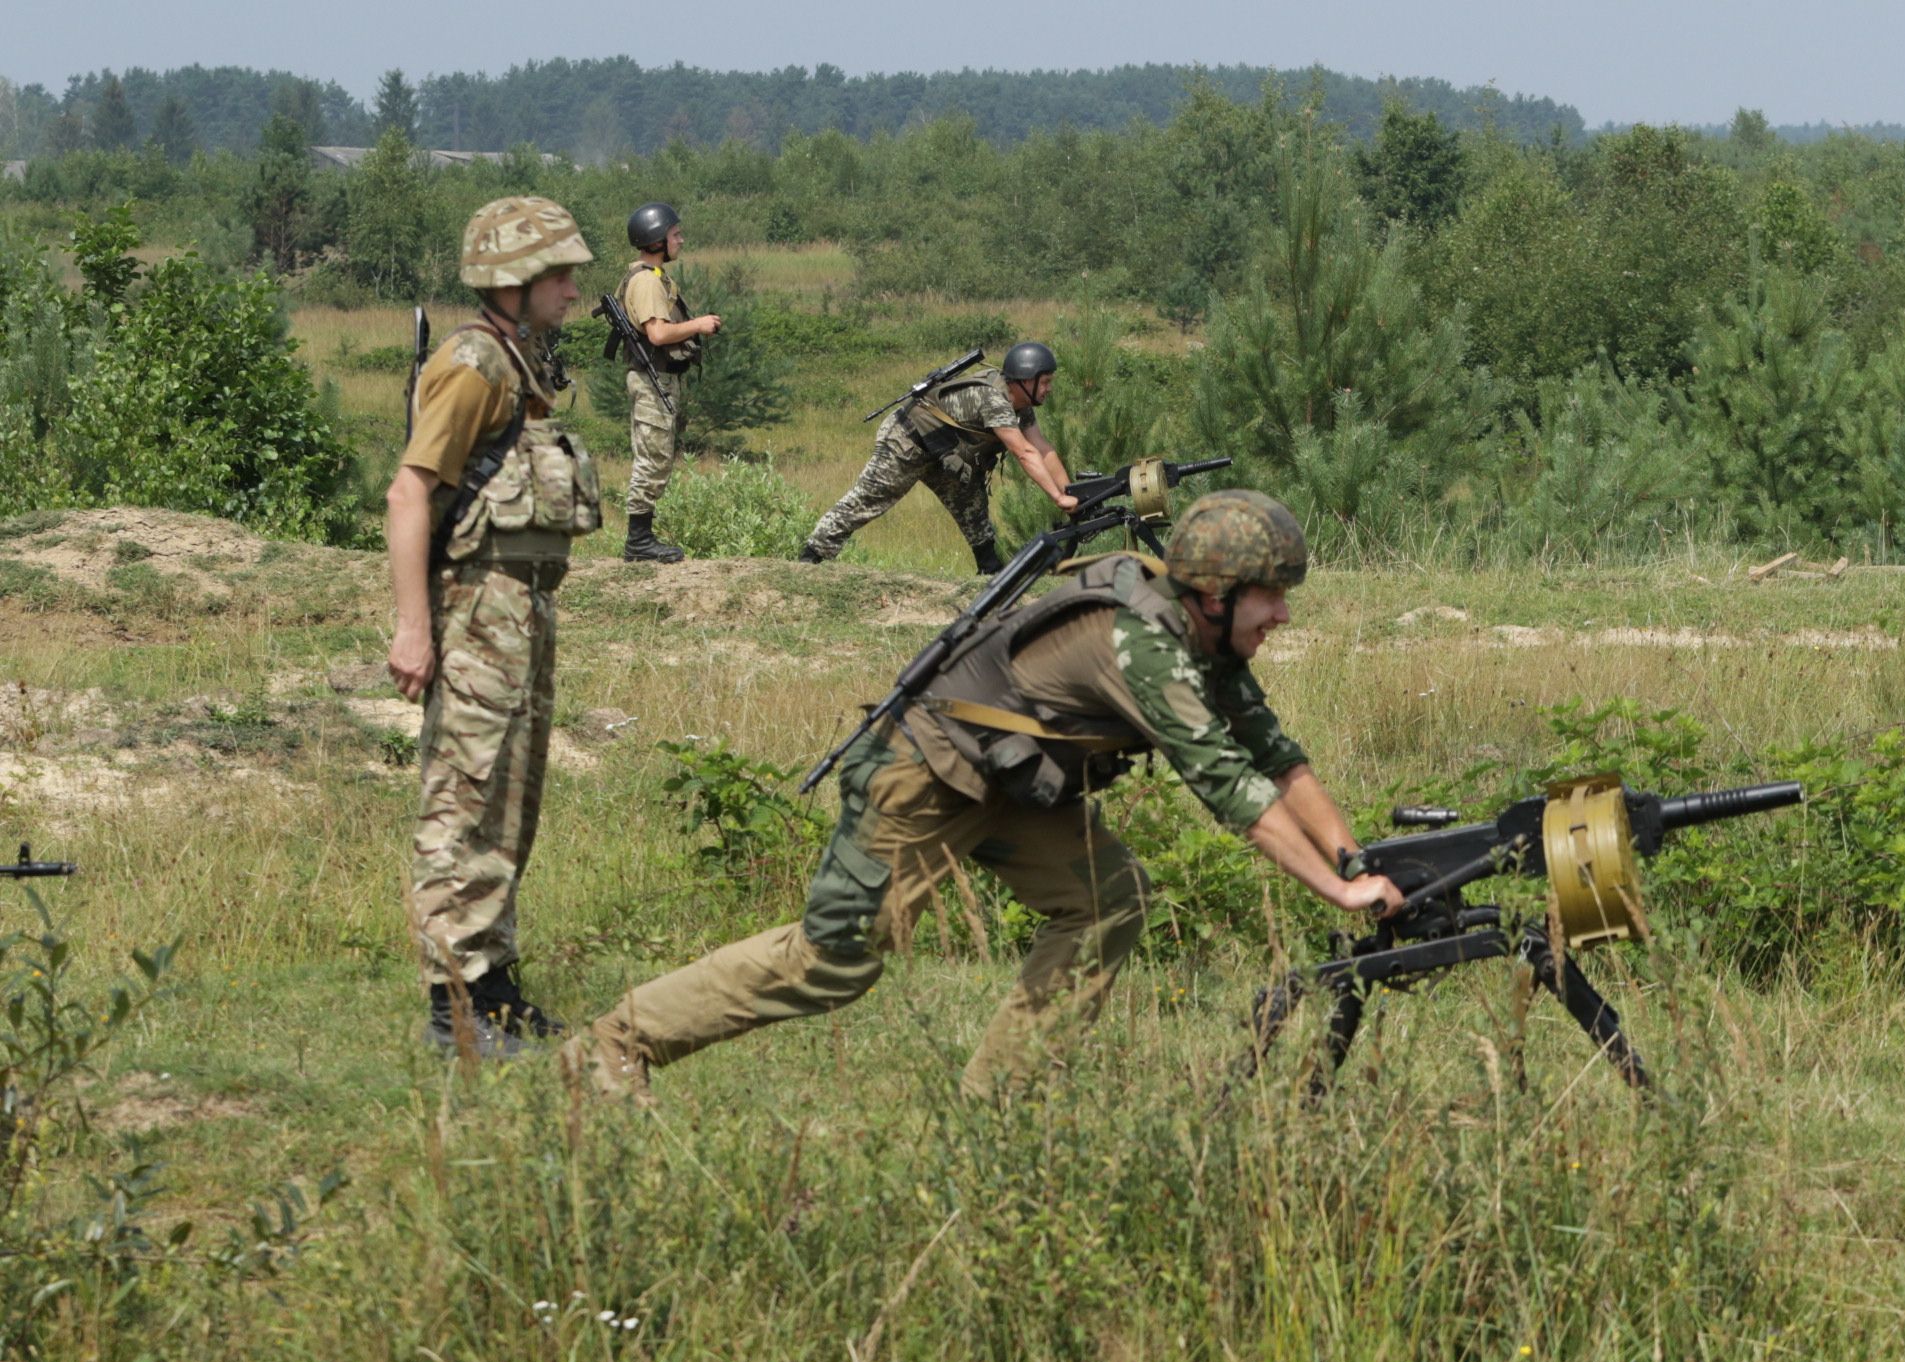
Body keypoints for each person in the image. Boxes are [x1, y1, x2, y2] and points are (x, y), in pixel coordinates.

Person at [568, 491, 1402, 1100]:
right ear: (1218, 595)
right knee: (836, 961)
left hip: (1013, 785)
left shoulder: (1208, 642)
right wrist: (1333, 889)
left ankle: (996, 1106)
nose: (1285, 614)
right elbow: (1225, 780)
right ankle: (613, 1045)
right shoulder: (1143, 646)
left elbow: (1281, 762)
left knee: (1109, 900)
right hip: (923, 770)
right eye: (1274, 595)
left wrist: (1355, 862)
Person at [383, 196, 603, 1057]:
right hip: (476, 608)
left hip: (517, 609)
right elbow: (408, 493)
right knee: (463, 798)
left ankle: (492, 983)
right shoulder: (474, 365)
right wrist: (413, 630)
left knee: (509, 797)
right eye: (559, 273)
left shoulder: (516, 363)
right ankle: (453, 1007)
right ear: (512, 280)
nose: (573, 288)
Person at [798, 341, 1080, 574]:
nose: (1049, 388)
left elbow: (1043, 448)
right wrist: (1057, 498)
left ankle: (990, 570)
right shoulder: (995, 400)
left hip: (945, 452)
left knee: (972, 507)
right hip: (907, 440)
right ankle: (810, 559)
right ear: (1025, 380)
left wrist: (1071, 492)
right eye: (1045, 382)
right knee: (868, 500)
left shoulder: (1021, 404)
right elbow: (1025, 452)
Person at [614, 200, 721, 563]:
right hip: (650, 379)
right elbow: (657, 334)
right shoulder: (646, 282)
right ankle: (638, 541)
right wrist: (699, 325)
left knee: (657, 458)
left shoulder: (655, 277)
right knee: (653, 459)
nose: (681, 240)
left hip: (657, 378)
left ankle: (641, 538)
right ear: (657, 240)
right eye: (675, 234)